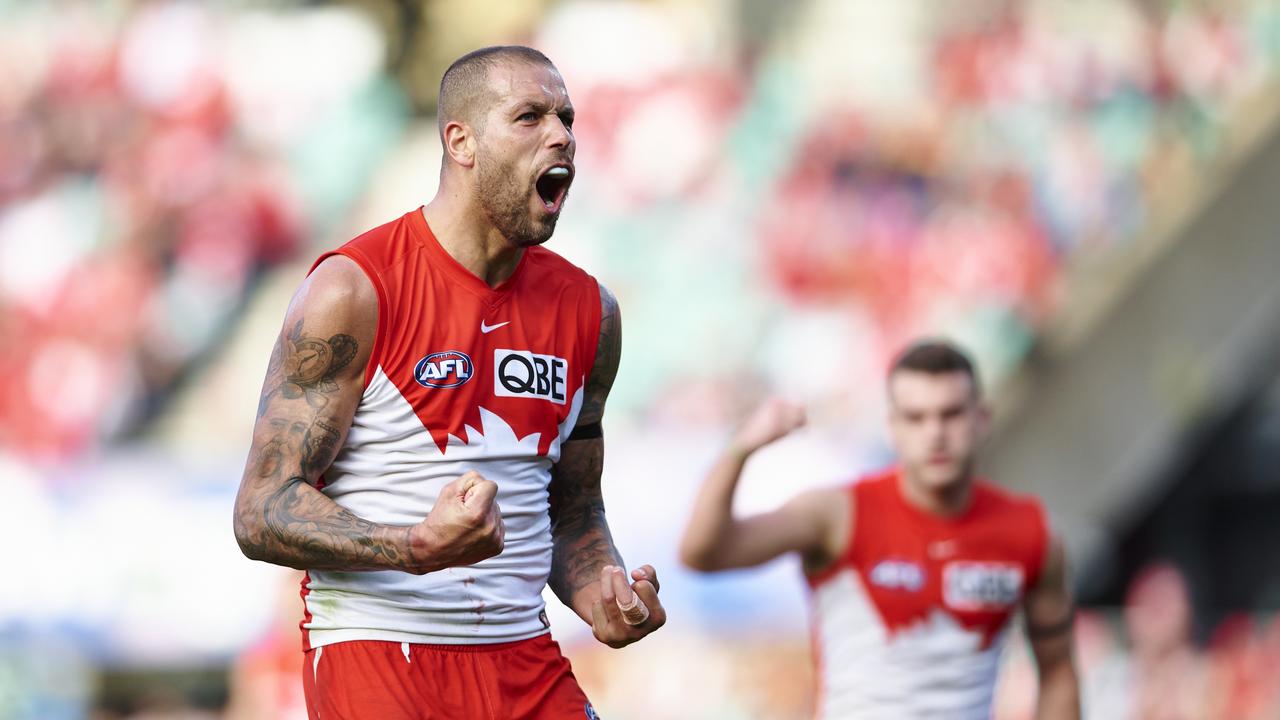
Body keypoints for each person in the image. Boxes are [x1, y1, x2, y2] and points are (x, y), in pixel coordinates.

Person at [232, 45, 665, 719]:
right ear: (460, 141)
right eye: (529, 116)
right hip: (380, 657)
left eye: (567, 118)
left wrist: (603, 595)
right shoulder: (354, 289)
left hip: (526, 659)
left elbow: (573, 511)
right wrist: (416, 545)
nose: (562, 136)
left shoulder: (591, 313)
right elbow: (260, 511)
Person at [680, 340, 1080, 719]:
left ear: (982, 419)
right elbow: (703, 552)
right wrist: (742, 448)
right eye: (916, 417)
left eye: (951, 414)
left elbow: (1058, 670)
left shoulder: (1029, 533)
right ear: (892, 426)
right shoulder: (839, 514)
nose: (935, 433)